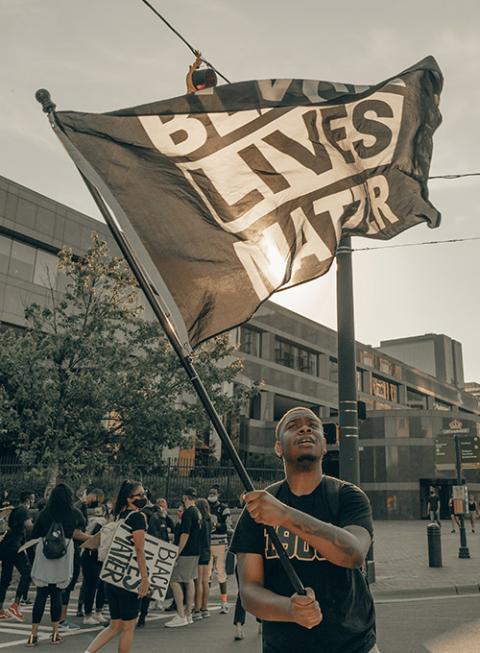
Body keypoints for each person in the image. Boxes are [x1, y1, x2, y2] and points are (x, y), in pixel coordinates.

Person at [230, 406, 377, 653]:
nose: (305, 428)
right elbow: (249, 591)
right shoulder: (258, 509)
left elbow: (353, 553)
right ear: (278, 448)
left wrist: (285, 515)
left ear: (325, 445)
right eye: (293, 426)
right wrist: (289, 609)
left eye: (313, 425)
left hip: (354, 646)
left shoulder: (348, 497)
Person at [84, 479, 150, 653]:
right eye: (140, 494)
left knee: (115, 625)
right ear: (129, 498)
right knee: (128, 627)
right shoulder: (137, 518)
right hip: (128, 578)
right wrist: (144, 578)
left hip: (112, 576)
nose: (144, 497)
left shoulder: (118, 515)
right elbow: (139, 549)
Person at [26, 482, 88, 647]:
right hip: (64, 554)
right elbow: (82, 525)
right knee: (56, 594)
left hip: (44, 553)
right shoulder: (74, 513)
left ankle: (33, 634)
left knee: (41, 594)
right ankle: (55, 633)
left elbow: (33, 535)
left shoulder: (44, 513)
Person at [165, 488, 201, 628]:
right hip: (195, 551)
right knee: (189, 580)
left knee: (174, 580)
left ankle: (181, 614)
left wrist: (177, 552)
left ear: (185, 498)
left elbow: (185, 534)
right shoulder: (197, 512)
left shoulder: (187, 513)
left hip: (186, 552)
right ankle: (188, 613)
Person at [0, 491, 34, 621]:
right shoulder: (23, 510)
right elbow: (29, 526)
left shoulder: (14, 511)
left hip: (5, 547)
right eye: (32, 500)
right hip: (14, 548)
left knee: (5, 579)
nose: (32, 503)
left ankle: (0, 610)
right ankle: (15, 605)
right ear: (28, 500)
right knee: (27, 573)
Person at [81, 505, 109, 625]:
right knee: (92, 585)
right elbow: (91, 540)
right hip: (92, 556)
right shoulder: (99, 524)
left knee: (100, 585)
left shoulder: (101, 523)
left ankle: (98, 612)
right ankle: (88, 614)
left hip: (98, 557)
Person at [207, 484, 232, 613]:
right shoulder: (205, 507)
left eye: (213, 493)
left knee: (221, 572)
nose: (211, 496)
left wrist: (215, 524)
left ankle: (224, 602)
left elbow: (227, 527)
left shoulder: (223, 508)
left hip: (220, 543)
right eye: (210, 493)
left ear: (218, 495)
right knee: (207, 574)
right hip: (208, 543)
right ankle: (204, 602)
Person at [193, 498, 212, 621]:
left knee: (198, 582)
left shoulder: (199, 521)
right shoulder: (209, 520)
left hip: (199, 552)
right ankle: (204, 607)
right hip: (207, 552)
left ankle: (197, 608)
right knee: (205, 581)